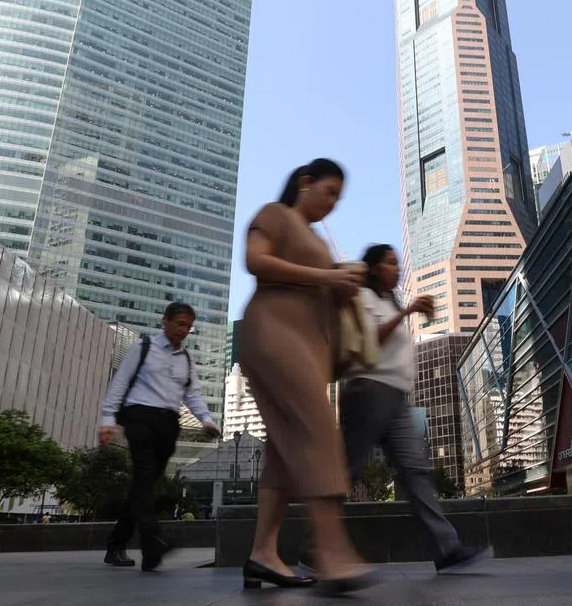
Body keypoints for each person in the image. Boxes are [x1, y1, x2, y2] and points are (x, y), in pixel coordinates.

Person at [239, 159, 375, 594]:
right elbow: (255, 261)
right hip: (273, 331)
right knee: (318, 431)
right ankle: (332, 553)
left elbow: (323, 293)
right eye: (330, 191)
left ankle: (263, 553)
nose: (334, 203)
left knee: (283, 451)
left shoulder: (317, 239)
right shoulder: (275, 214)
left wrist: (343, 281)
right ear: (305, 182)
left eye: (339, 197)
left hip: (307, 346)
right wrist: (327, 276)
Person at [338, 244, 491, 573]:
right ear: (374, 269)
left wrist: (403, 311)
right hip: (367, 389)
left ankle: (447, 549)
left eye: (397, 262)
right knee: (347, 469)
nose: (398, 268)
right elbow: (368, 340)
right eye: (390, 263)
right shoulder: (363, 297)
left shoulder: (387, 302)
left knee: (416, 472)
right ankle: (315, 549)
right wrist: (407, 312)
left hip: (395, 397)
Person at [98, 302, 221, 571]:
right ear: (165, 321)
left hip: (168, 423)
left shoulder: (186, 359)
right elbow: (120, 382)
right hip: (139, 417)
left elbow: (192, 394)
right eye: (180, 324)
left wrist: (206, 419)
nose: (184, 330)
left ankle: (117, 544)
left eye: (189, 326)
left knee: (144, 485)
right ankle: (153, 542)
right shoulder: (143, 348)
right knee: (144, 477)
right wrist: (107, 419)